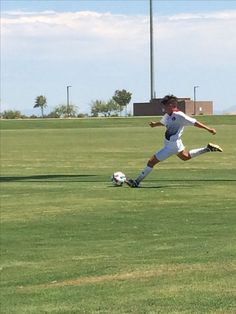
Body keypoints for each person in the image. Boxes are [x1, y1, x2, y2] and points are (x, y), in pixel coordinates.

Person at [126, 94, 223, 188]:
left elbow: (194, 122)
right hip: (176, 143)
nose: (164, 108)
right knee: (185, 157)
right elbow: (163, 122)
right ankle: (208, 148)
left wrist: (208, 129)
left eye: (165, 105)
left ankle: (136, 182)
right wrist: (155, 124)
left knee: (151, 162)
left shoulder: (179, 115)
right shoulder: (168, 115)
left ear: (171, 105)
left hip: (172, 146)